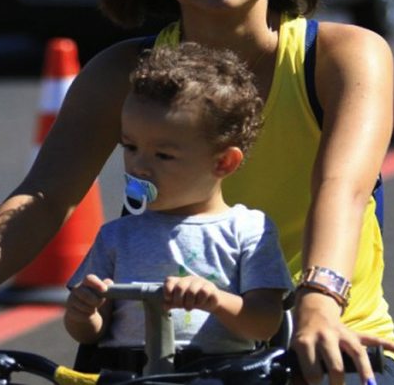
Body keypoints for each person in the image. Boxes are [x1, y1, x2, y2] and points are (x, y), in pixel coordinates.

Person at [0, 0, 394, 384]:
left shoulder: (341, 56)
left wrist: (317, 306)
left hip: (325, 340)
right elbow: (45, 196)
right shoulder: (120, 73)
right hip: (160, 356)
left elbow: (341, 188)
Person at [64, 43, 293, 371]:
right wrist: (82, 312)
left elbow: (264, 323)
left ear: (223, 162)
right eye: (130, 147)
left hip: (217, 372)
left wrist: (214, 299)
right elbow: (90, 334)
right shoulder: (117, 236)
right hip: (129, 373)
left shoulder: (248, 230)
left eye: (163, 155)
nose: (139, 166)